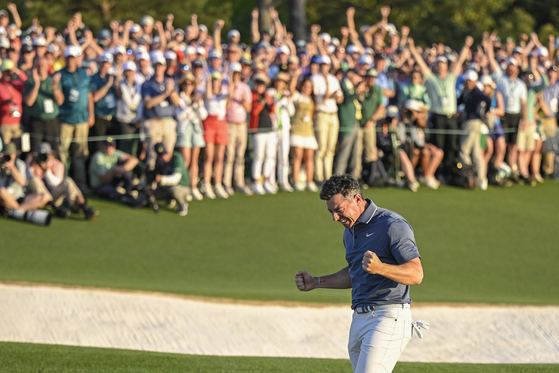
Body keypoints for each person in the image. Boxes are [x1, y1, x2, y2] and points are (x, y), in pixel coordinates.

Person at [295, 174, 423, 373]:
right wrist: (317, 282)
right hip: (359, 319)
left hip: (388, 316)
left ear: (356, 199)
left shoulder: (392, 225)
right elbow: (355, 273)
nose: (335, 218)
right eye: (330, 212)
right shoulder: (350, 230)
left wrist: (381, 268)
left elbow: (416, 273)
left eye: (339, 210)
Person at [408, 36, 472, 177]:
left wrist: (466, 46)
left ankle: (448, 172)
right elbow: (420, 62)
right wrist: (412, 47)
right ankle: (437, 173)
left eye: (443, 63)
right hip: (438, 117)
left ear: (446, 65)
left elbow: (460, 60)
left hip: (451, 117)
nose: (441, 65)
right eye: (438, 63)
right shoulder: (431, 79)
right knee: (439, 146)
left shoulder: (451, 77)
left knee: (451, 146)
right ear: (436, 66)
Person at [56, 45, 94, 193]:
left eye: (74, 57)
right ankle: (62, 184)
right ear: (65, 58)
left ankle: (80, 184)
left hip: (82, 119)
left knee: (80, 153)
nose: (71, 60)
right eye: (69, 57)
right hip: (65, 119)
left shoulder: (84, 75)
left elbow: (90, 95)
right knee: (62, 153)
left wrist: (91, 114)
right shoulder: (59, 75)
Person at [26, 142, 98, 220]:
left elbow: (56, 183)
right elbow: (26, 181)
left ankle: (84, 208)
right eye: (41, 155)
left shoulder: (58, 164)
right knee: (34, 180)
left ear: (51, 154)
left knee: (68, 180)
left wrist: (47, 170)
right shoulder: (31, 163)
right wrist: (31, 165)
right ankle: (57, 209)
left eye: (46, 155)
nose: (43, 158)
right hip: (38, 198)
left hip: (54, 196)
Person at [175, 71, 207, 200]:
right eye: (186, 84)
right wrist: (189, 106)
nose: (188, 86)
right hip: (184, 130)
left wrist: (198, 106)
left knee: (194, 161)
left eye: (191, 84)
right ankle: (184, 186)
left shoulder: (197, 98)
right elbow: (179, 116)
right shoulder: (179, 97)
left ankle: (193, 187)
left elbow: (203, 115)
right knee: (185, 161)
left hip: (196, 129)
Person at [311, 55, 343, 185]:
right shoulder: (314, 79)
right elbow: (320, 98)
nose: (324, 67)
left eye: (326, 65)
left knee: (331, 147)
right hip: (322, 113)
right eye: (322, 65)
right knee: (321, 146)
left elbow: (340, 98)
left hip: (333, 113)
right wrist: (331, 94)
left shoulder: (333, 79)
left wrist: (335, 96)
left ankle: (328, 176)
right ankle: (318, 176)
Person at [24, 57, 64, 157]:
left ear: (47, 67)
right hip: (37, 122)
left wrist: (55, 86)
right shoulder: (30, 82)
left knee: (54, 151)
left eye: (43, 65)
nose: (41, 67)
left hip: (52, 121)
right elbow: (29, 102)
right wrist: (36, 84)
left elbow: (60, 101)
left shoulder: (53, 81)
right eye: (38, 65)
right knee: (35, 151)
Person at [457, 70, 490, 190]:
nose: (467, 83)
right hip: (473, 123)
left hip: (472, 122)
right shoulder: (468, 92)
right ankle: (481, 179)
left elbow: (487, 100)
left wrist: (484, 113)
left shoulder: (476, 92)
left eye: (469, 81)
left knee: (464, 151)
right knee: (476, 153)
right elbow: (459, 102)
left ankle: (468, 175)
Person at [223, 62, 253, 196]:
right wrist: (231, 92)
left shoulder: (245, 88)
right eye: (233, 74)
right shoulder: (225, 87)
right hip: (229, 124)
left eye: (237, 74)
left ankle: (239, 182)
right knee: (229, 155)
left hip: (242, 124)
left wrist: (241, 99)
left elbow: (249, 108)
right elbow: (224, 107)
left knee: (240, 155)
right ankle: (226, 183)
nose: (236, 76)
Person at [89, 137, 142, 208]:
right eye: (106, 146)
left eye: (111, 146)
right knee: (112, 193)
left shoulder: (115, 153)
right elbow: (103, 179)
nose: (109, 148)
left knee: (126, 170)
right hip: (100, 186)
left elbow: (134, 160)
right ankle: (125, 195)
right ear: (102, 146)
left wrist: (122, 169)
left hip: (113, 181)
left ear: (114, 146)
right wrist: (114, 172)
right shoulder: (98, 157)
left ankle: (129, 190)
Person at [0, 142, 50, 212]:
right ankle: (20, 211)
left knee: (46, 196)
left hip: (19, 196)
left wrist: (12, 167)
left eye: (10, 155)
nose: (8, 157)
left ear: (14, 155)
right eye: (6, 155)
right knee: (2, 192)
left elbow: (22, 182)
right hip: (5, 196)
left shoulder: (20, 164)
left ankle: (17, 210)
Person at [290, 73, 319, 192]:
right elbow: (291, 90)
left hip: (309, 130)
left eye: (310, 86)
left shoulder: (312, 100)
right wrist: (295, 76)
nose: (307, 88)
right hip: (297, 129)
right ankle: (296, 181)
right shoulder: (298, 96)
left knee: (309, 158)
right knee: (298, 157)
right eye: (306, 86)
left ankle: (309, 181)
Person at [249, 74, 276, 195]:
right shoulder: (253, 96)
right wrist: (262, 102)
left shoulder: (266, 96)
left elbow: (272, 110)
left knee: (269, 156)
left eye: (262, 84)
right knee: (258, 156)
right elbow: (254, 111)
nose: (260, 86)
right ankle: (256, 182)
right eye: (258, 84)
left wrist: (269, 102)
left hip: (269, 129)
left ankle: (266, 180)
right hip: (258, 130)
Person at [151, 142, 190, 216]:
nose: (162, 157)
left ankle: (182, 203)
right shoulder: (159, 160)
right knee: (152, 194)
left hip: (181, 186)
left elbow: (176, 179)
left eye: (164, 154)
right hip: (166, 186)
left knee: (173, 190)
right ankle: (169, 198)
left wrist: (161, 179)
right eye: (160, 156)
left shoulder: (177, 158)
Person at [0, 58, 27, 146]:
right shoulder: (0, 85)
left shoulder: (16, 84)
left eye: (10, 71)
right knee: (7, 149)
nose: (8, 74)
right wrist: (5, 102)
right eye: (6, 71)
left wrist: (17, 71)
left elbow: (26, 82)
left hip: (17, 123)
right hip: (5, 123)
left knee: (18, 148)